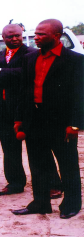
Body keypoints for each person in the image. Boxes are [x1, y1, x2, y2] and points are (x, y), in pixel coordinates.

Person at [12, 19, 84, 219]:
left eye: (41, 34)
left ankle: (71, 204)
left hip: (61, 122)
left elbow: (80, 95)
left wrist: (75, 124)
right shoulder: (30, 58)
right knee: (38, 164)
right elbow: (24, 91)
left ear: (56, 36)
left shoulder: (75, 60)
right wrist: (19, 119)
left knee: (67, 164)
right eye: (36, 33)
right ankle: (40, 203)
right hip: (35, 119)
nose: (36, 37)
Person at [0, 24, 63, 197]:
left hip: (28, 110)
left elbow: (30, 75)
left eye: (17, 36)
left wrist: (2, 72)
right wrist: (10, 75)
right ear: (3, 38)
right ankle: (15, 183)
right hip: (3, 110)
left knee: (39, 149)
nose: (14, 39)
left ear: (22, 35)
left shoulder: (33, 54)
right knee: (9, 150)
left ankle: (53, 184)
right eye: (10, 36)